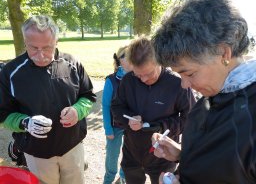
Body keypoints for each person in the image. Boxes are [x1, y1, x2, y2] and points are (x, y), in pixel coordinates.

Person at [152, 0, 256, 183]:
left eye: (189, 73)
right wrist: (182, 155)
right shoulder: (210, 97)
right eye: (179, 75)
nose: (184, 84)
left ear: (223, 52)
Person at [0, 15, 96, 184]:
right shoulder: (10, 73)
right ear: (25, 42)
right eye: (33, 48)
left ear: (56, 42)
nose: (41, 55)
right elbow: (3, 115)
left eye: (47, 47)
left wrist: (77, 110)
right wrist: (26, 123)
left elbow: (87, 96)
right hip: (37, 154)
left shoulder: (73, 64)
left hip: (72, 148)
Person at [111, 36, 195, 184]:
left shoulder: (177, 83)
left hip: (163, 157)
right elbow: (116, 108)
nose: (143, 79)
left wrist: (162, 126)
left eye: (148, 74)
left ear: (159, 62)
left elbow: (191, 119)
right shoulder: (128, 80)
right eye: (138, 74)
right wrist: (128, 119)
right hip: (132, 154)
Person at [102, 46, 133, 184]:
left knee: (128, 157)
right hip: (114, 127)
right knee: (112, 158)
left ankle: (123, 178)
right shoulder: (111, 80)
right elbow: (105, 105)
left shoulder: (138, 78)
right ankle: (108, 179)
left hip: (131, 128)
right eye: (127, 56)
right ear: (120, 60)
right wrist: (108, 129)